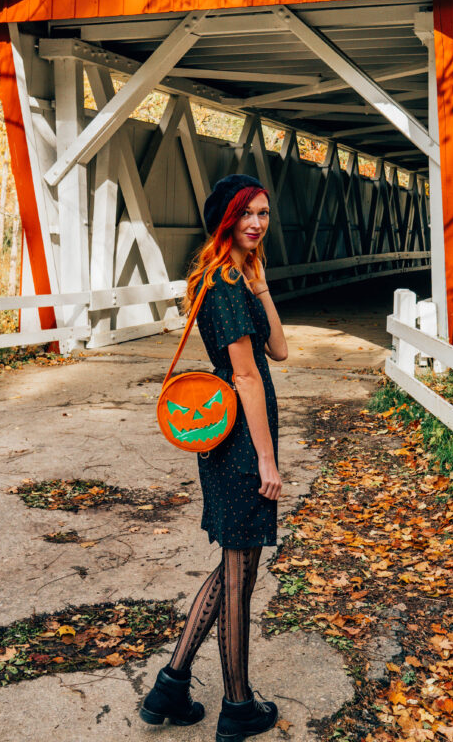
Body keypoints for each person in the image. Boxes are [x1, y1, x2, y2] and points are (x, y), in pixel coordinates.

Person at [140, 174, 288, 742]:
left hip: (237, 438)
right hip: (243, 443)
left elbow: (279, 348)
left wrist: (264, 285)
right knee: (239, 574)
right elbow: (248, 375)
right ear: (223, 220)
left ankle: (171, 688)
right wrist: (267, 462)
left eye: (262, 213)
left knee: (234, 567)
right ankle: (237, 706)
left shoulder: (236, 279)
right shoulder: (222, 283)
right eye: (245, 213)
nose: (256, 222)